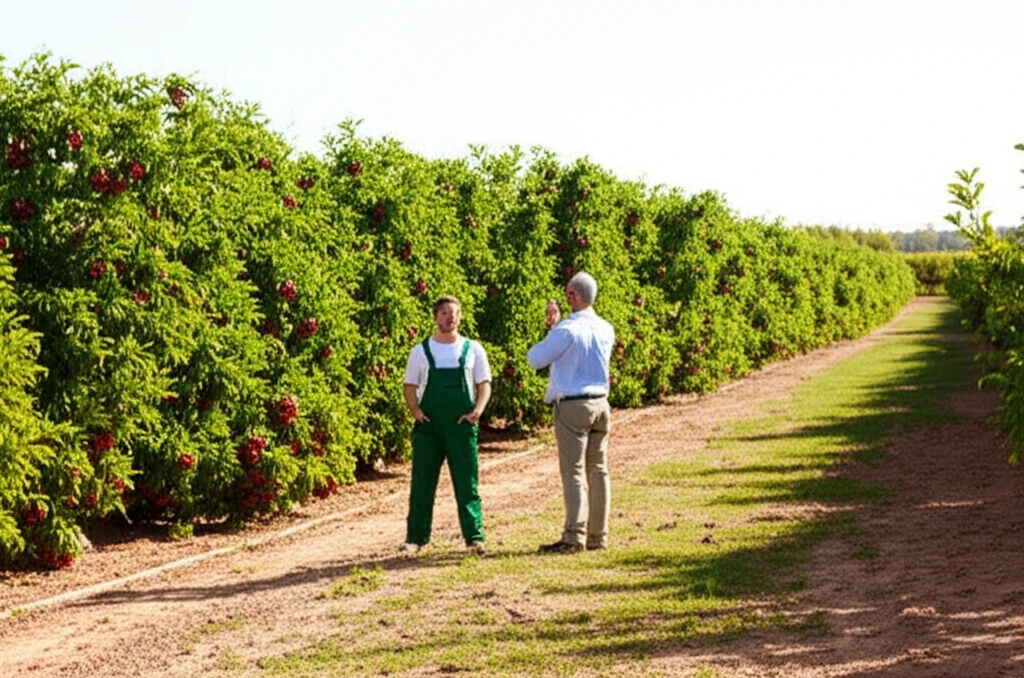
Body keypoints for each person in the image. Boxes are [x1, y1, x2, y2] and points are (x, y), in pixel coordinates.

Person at [527, 271, 615, 553]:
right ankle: (598, 535)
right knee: (598, 470)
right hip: (601, 402)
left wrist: (552, 327)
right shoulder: (606, 328)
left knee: (573, 471)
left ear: (572, 296)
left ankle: (574, 536)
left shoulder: (567, 330)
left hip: (573, 404)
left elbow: (536, 358)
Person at [402, 295, 492, 555]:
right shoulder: (420, 351)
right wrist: (416, 411)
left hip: (461, 427)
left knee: (467, 484)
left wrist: (477, 411)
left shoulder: (473, 349)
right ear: (435, 317)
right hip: (429, 428)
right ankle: (416, 539)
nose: (450, 317)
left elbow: (484, 384)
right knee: (422, 484)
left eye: (454, 313)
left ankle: (475, 538)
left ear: (460, 316)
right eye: (444, 313)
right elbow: (409, 386)